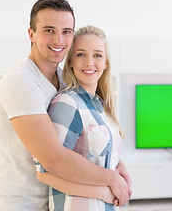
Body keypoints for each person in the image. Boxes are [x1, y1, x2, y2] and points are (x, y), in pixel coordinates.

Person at [0, 0, 131, 211]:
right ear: (31, 34)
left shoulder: (64, 81)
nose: (59, 40)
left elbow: (79, 146)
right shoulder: (22, 84)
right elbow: (52, 159)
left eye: (67, 31)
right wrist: (111, 179)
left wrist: (116, 164)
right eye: (49, 30)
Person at [35, 25, 125, 210]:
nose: (89, 62)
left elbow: (94, 155)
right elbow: (44, 171)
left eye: (97, 55)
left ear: (106, 62)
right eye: (81, 54)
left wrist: (120, 168)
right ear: (70, 62)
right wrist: (103, 191)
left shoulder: (101, 107)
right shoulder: (67, 102)